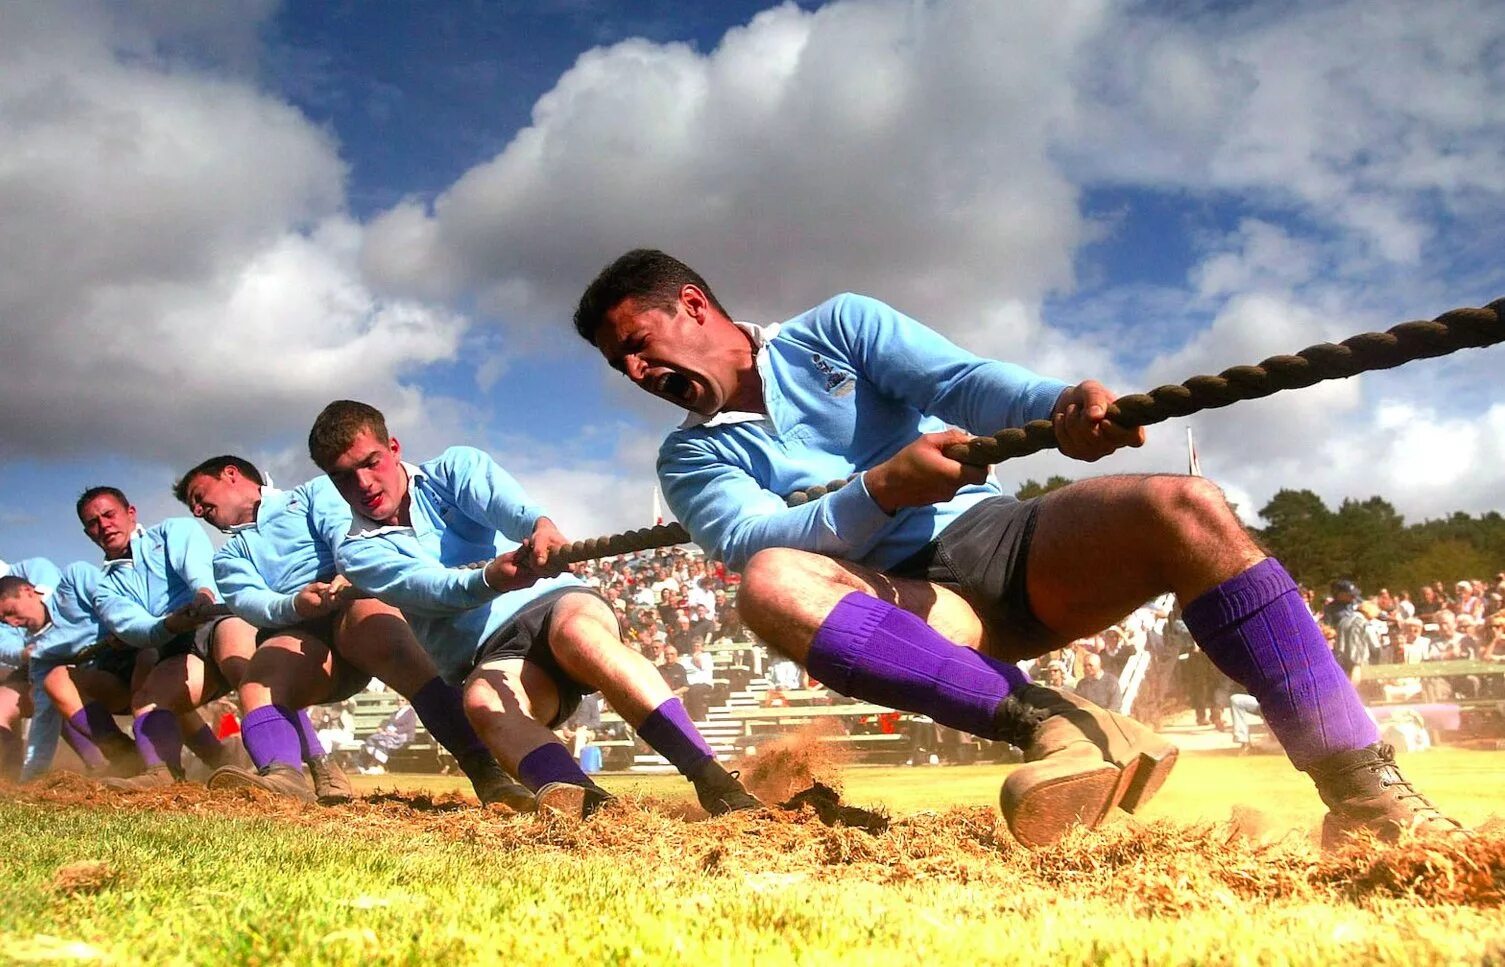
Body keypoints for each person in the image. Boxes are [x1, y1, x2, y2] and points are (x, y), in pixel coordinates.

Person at [573, 248, 1458, 847]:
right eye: (621, 367)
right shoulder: (688, 453)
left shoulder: (836, 327)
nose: (637, 375)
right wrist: (879, 487)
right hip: (909, 605)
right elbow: (747, 538)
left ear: (692, 306)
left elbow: (959, 381)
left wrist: (1056, 403)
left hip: (1003, 540)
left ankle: (1360, 790)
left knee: (1185, 505)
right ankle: (1057, 727)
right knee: (768, 582)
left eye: (637, 347)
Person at [308, 399, 757, 818]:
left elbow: (512, 509)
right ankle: (597, 813)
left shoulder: (454, 467)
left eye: (370, 463)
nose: (363, 484)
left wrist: (541, 527)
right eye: (344, 477)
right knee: (481, 701)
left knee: (581, 636)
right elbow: (430, 590)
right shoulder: (356, 554)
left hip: (557, 602)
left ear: (393, 448)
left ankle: (712, 777)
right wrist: (490, 578)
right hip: (491, 655)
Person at [171, 454, 531, 809]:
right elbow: (249, 599)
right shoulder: (227, 556)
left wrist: (350, 569)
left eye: (200, 497)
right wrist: (295, 604)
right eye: (194, 508)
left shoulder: (311, 493)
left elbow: (344, 531)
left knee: (390, 641)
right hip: (296, 632)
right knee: (256, 685)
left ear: (231, 474)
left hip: (354, 599)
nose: (200, 510)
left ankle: (487, 772)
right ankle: (282, 777)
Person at [84, 486, 257, 789]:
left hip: (217, 617)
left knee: (249, 673)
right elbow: (133, 626)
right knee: (147, 702)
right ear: (89, 533)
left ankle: (299, 765)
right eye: (94, 522)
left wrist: (203, 592)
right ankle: (164, 775)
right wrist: (169, 625)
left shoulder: (172, 530)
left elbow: (196, 567)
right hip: (176, 645)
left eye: (109, 514)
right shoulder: (103, 587)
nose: (104, 525)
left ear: (131, 513)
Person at [0, 557, 66, 780]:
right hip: (31, 662)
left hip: (68, 654)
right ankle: (10, 779)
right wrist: (24, 653)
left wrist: (44, 646)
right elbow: (2, 644)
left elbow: (54, 609)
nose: (11, 622)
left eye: (10, 611)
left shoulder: (36, 569)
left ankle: (106, 761)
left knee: (57, 690)